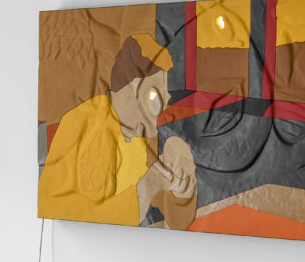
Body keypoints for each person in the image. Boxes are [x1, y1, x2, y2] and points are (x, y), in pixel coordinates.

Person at [38, 34, 198, 229]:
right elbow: (67, 212)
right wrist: (148, 186)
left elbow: (176, 221)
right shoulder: (84, 123)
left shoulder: (142, 137)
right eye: (155, 96)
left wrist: (184, 194)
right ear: (135, 86)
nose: (162, 107)